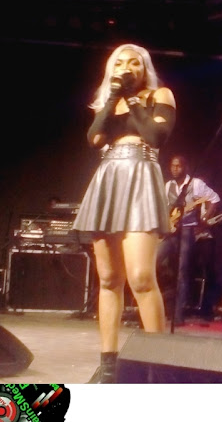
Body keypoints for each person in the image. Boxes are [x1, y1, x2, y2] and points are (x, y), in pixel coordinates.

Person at [73, 43, 176, 383]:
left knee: (141, 277)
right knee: (108, 278)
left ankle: (159, 366)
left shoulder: (160, 95)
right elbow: (94, 138)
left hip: (141, 176)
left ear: (145, 68)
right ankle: (108, 365)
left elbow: (155, 136)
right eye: (120, 63)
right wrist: (113, 98)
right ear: (111, 69)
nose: (127, 67)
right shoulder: (108, 101)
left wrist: (131, 98)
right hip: (109, 177)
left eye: (135, 63)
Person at [156, 155, 221, 325]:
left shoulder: (196, 184)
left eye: (178, 166)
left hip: (188, 230)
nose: (175, 169)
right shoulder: (168, 186)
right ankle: (160, 304)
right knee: (155, 260)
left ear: (185, 168)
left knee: (182, 270)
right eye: (172, 166)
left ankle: (178, 315)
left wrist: (205, 218)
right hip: (171, 231)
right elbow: (166, 207)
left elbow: (214, 199)